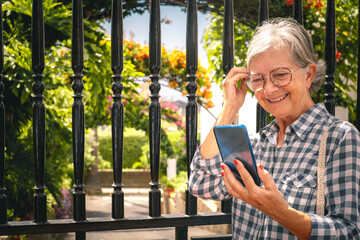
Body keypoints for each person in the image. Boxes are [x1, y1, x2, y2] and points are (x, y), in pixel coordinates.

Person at [188, 18, 360, 239]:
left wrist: (281, 212)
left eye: (280, 75)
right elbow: (200, 183)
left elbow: (350, 232)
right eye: (258, 79)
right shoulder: (255, 144)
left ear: (308, 74)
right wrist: (229, 107)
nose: (268, 89)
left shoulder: (340, 138)